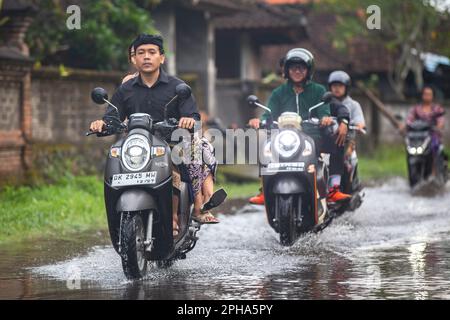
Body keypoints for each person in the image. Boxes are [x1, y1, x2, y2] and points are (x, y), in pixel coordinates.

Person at [89, 34, 218, 238]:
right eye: (141, 53)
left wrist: (188, 120)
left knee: (185, 159)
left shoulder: (177, 87)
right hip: (137, 147)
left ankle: (180, 215)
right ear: (134, 59)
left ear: (162, 58)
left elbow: (192, 115)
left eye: (152, 52)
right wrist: (101, 124)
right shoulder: (125, 89)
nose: (146, 57)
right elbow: (112, 115)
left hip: (171, 143)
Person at [248, 48, 350, 204]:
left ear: (308, 70)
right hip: (282, 136)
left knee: (337, 141)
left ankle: (333, 188)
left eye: (301, 67)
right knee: (265, 147)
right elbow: (268, 114)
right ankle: (264, 189)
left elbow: (324, 110)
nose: (297, 71)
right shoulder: (278, 92)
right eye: (293, 67)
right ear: (287, 70)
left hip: (311, 135)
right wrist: (258, 120)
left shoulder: (318, 90)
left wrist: (325, 119)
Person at [328, 70, 366, 194]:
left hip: (347, 141)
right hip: (327, 139)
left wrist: (358, 125)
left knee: (347, 161)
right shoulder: (325, 103)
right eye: (334, 86)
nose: (337, 89)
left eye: (340, 86)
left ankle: (350, 186)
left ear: (346, 88)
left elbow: (360, 122)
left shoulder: (354, 105)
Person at [403, 86, 446, 165]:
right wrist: (407, 125)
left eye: (429, 94)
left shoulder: (437, 109)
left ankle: (433, 170)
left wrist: (438, 126)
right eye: (425, 94)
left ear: (433, 96)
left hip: (432, 135)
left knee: (434, 147)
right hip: (419, 135)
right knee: (409, 147)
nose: (427, 96)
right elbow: (409, 119)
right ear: (422, 95)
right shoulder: (416, 109)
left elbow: (441, 120)